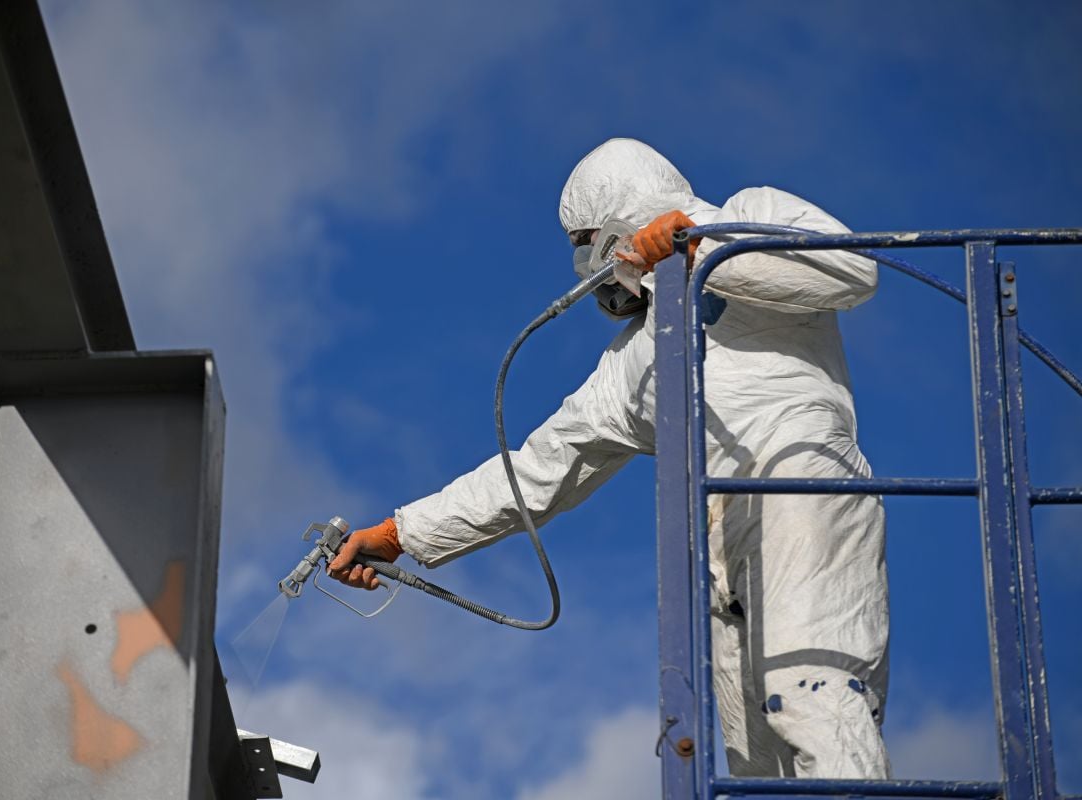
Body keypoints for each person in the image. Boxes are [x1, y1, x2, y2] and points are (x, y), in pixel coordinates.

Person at [329, 138, 890, 779]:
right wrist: (399, 534)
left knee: (815, 699)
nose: (590, 265)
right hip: (718, 557)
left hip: (801, 487)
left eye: (590, 241)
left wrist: (700, 245)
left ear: (623, 218)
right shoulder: (632, 370)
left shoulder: (749, 216)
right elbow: (537, 471)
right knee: (755, 765)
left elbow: (849, 270)